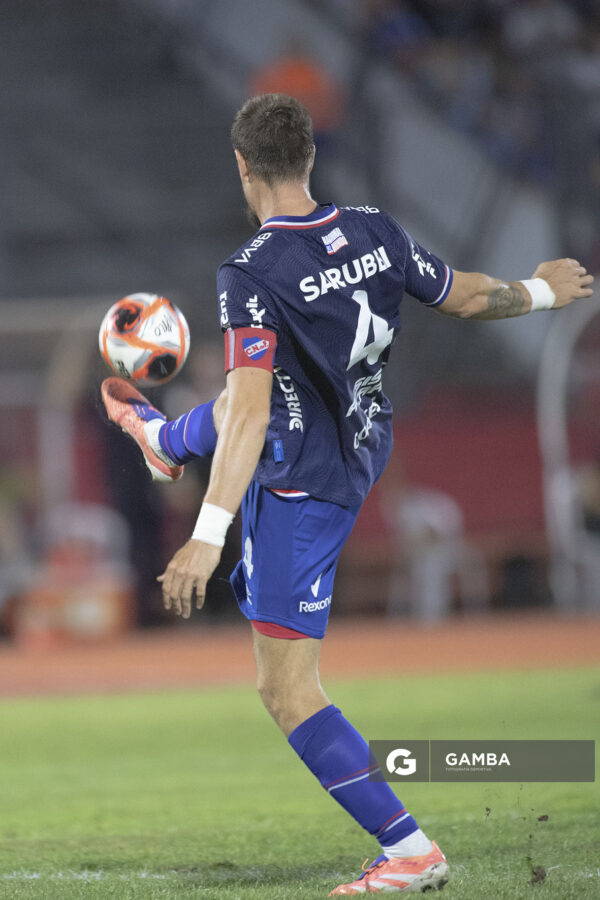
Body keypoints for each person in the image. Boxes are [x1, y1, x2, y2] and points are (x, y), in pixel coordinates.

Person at [101, 93, 594, 894]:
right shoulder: (372, 226)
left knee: (285, 687)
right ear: (309, 160)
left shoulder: (250, 274)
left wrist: (207, 530)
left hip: (304, 484)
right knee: (249, 387)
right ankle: (168, 443)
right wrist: (537, 291)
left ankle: (408, 850)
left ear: (242, 166)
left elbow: (255, 413)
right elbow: (468, 296)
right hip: (363, 439)